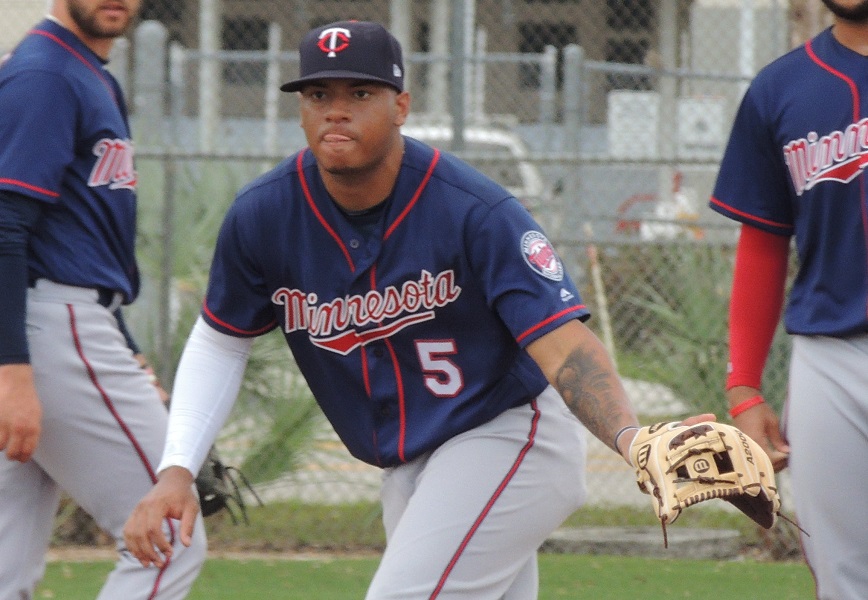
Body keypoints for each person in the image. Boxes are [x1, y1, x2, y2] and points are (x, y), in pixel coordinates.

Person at [123, 20, 709, 599]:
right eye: (318, 94)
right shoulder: (264, 217)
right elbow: (222, 338)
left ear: (400, 105)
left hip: (509, 437)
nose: (335, 110)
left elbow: (561, 343)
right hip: (409, 468)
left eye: (360, 93)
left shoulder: (476, 211)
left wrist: (633, 439)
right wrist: (177, 467)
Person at [0, 1, 207, 598]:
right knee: (168, 531)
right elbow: (5, 221)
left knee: (7, 563)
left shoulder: (80, 72)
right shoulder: (47, 74)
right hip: (47, 326)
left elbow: (83, 235)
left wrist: (125, 346)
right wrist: (13, 368)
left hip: (55, 322)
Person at [709, 2, 868, 598]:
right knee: (842, 573)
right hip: (830, 360)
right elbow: (763, 246)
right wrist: (744, 384)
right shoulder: (781, 88)